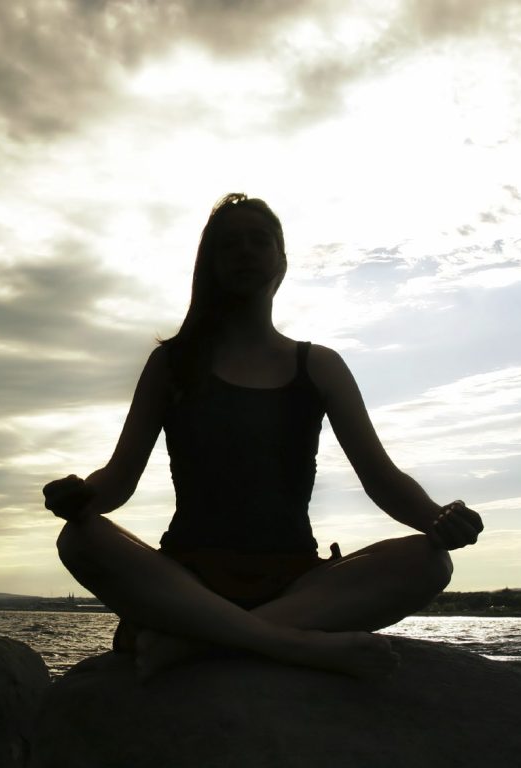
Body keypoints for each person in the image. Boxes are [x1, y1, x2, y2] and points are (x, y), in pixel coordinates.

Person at [43, 193, 484, 680]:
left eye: (259, 241)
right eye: (229, 245)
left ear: (282, 261)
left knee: (429, 561)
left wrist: (438, 519)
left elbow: (381, 478)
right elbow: (118, 481)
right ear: (209, 264)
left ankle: (193, 641)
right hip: (187, 578)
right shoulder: (173, 364)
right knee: (79, 540)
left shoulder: (317, 366)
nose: (246, 252)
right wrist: (80, 497)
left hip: (295, 583)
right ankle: (287, 643)